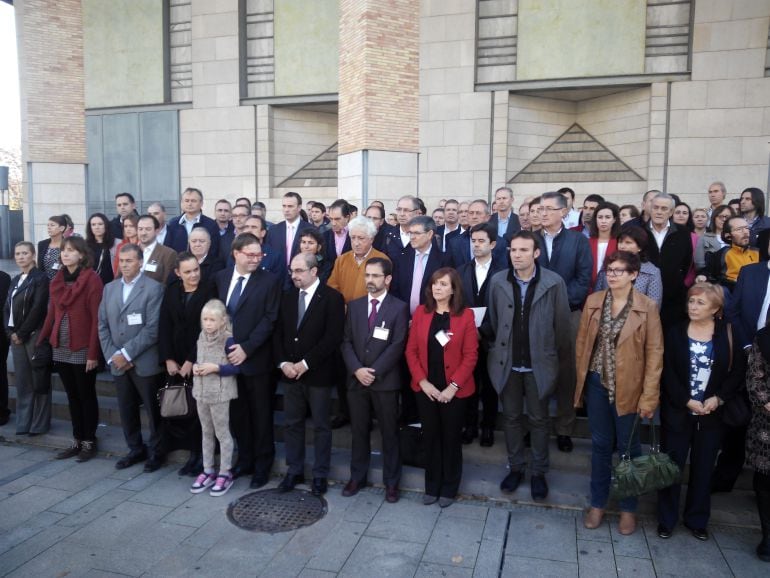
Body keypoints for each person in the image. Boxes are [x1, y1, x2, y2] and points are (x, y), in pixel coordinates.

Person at [575, 251, 663, 535]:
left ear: (634, 274)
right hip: (598, 384)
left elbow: (654, 353)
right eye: (609, 270)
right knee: (600, 447)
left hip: (630, 388)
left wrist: (649, 396)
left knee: (629, 449)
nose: (612, 275)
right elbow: (582, 344)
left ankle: (628, 509)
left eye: (619, 270)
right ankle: (598, 504)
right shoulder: (594, 301)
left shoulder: (647, 307)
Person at [486, 231, 572, 500]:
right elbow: (493, 320)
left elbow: (562, 328)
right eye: (513, 250)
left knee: (538, 419)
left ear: (536, 253)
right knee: (511, 418)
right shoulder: (498, 281)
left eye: (524, 250)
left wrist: (548, 355)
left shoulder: (553, 282)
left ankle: (538, 472)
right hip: (507, 363)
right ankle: (515, 467)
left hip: (539, 364)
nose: (517, 255)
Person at [657, 283, 745, 541]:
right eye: (691, 301)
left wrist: (719, 398)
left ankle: (697, 519)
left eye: (700, 303)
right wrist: (685, 399)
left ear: (716, 309)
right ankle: (666, 518)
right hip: (678, 411)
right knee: (671, 468)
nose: (693, 307)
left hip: (712, 415)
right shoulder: (676, 332)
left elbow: (738, 371)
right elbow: (668, 371)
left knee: (704, 468)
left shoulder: (728, 333)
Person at [405, 268, 478, 508]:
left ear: (454, 289)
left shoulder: (465, 316)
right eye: (435, 284)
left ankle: (449, 487)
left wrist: (453, 387)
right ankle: (432, 485)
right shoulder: (421, 313)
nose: (438, 288)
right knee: (431, 437)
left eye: (444, 284)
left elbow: (470, 356)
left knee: (450, 438)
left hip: (454, 391)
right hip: (426, 388)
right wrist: (423, 382)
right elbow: (411, 351)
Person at [274, 253, 345, 497]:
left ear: (314, 271)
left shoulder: (332, 298)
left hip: (318, 375)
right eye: (292, 271)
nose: (294, 275)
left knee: (321, 427)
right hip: (290, 375)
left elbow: (332, 337)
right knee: (292, 424)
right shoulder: (286, 296)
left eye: (299, 271)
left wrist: (305, 363)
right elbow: (279, 333)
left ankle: (320, 474)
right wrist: (284, 362)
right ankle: (294, 471)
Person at [215, 233, 281, 489]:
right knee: (237, 414)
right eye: (250, 254)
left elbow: (270, 318)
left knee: (261, 415)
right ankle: (245, 459)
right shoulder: (220, 278)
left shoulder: (269, 281)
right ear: (236, 254)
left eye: (259, 254)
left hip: (256, 360)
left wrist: (247, 348)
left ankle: (263, 465)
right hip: (227, 359)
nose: (256, 259)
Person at [341, 258, 409, 502]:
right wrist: (357, 370)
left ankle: (392, 482)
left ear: (387, 279)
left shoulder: (399, 307)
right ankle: (357, 476)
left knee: (389, 433)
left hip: (385, 381)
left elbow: (397, 344)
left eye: (375, 276)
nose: (370, 280)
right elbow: (346, 341)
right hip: (356, 380)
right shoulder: (355, 305)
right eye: (367, 275)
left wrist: (374, 371)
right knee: (359, 431)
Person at [99, 244, 165, 472]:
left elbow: (153, 328)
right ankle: (135, 448)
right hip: (117, 361)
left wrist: (126, 353)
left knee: (153, 410)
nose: (125, 265)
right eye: (122, 260)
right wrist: (113, 355)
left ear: (140, 262)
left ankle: (157, 452)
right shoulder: (109, 288)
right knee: (126, 409)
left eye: (130, 260)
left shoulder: (154, 288)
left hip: (144, 361)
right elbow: (102, 325)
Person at [536, 191, 592, 453]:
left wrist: (560, 303)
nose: (543, 213)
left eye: (549, 208)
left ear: (563, 212)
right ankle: (537, 426)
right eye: (540, 208)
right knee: (536, 371)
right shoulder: (529, 239)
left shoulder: (578, 241)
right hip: (534, 315)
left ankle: (564, 428)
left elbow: (583, 278)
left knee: (567, 372)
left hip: (568, 314)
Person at [39, 237, 103, 462]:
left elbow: (96, 319)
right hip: (61, 347)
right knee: (72, 396)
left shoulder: (92, 280)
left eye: (71, 251)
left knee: (86, 396)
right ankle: (77, 439)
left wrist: (93, 353)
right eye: (63, 251)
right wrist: (42, 340)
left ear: (82, 255)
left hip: (83, 347)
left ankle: (89, 441)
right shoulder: (57, 279)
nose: (65, 254)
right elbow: (51, 313)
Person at [159, 252, 214, 476]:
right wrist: (169, 358)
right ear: (177, 273)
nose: (193, 275)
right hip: (175, 359)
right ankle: (185, 452)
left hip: (201, 359)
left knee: (202, 412)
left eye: (196, 270)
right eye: (188, 271)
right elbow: (164, 325)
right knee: (183, 409)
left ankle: (201, 456)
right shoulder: (172, 291)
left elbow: (209, 329)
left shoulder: (209, 290)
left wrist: (192, 360)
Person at [457, 223, 504, 447]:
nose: (476, 245)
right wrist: (468, 331)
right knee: (468, 383)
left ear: (492, 244)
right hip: (466, 339)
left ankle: (488, 427)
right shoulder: (462, 270)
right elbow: (456, 304)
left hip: (493, 339)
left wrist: (482, 330)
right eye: (473, 241)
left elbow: (504, 308)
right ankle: (470, 425)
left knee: (490, 385)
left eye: (481, 241)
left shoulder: (503, 272)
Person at [189, 299, 240, 497]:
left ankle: (225, 472)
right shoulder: (201, 336)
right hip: (201, 392)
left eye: (212, 320)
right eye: (205, 319)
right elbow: (199, 358)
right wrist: (195, 366)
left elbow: (237, 367)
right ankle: (208, 469)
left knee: (222, 433)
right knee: (206, 432)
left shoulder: (228, 340)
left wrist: (216, 368)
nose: (208, 323)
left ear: (222, 321)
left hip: (220, 394)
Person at [5, 242, 50, 435]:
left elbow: (38, 308)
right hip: (15, 337)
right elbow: (6, 309)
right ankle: (24, 422)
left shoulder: (40, 278)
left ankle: (39, 424)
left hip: (33, 335)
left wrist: (22, 333)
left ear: (33, 255)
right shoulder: (15, 280)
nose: (21, 257)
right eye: (18, 253)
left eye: (25, 253)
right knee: (23, 381)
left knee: (38, 380)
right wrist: (10, 332)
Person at [645, 193, 693, 328]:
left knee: (671, 338)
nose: (659, 212)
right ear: (650, 208)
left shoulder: (683, 232)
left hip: (673, 297)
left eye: (664, 209)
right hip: (644, 296)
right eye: (656, 207)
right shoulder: (639, 231)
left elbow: (686, 262)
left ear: (671, 212)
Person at [745, 325, 770, 562]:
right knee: (764, 479)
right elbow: (755, 376)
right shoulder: (763, 338)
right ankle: (767, 538)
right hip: (767, 420)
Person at [594, 226, 663, 309]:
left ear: (640, 247)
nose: (622, 246)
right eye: (620, 242)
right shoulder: (608, 265)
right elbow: (597, 296)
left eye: (628, 243)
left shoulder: (651, 272)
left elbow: (654, 306)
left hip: (638, 319)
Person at [263, 192, 313, 284]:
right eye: (284, 206)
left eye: (290, 206)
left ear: (299, 208)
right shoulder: (273, 230)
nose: (286, 210)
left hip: (301, 281)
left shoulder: (310, 229)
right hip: (277, 281)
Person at [696, 216, 758, 290]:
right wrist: (703, 276)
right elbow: (708, 273)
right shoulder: (722, 254)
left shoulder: (759, 253)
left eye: (747, 228)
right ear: (728, 236)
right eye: (739, 229)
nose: (745, 232)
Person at [165, 187, 221, 257]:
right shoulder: (173, 223)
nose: (189, 204)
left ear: (201, 203)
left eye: (193, 201)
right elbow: (168, 248)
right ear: (181, 203)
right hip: (178, 265)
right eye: (187, 201)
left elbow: (215, 249)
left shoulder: (211, 224)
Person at [135, 215, 178, 285]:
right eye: (140, 229)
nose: (143, 233)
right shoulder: (128, 251)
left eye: (148, 229)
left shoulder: (168, 254)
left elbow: (168, 284)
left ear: (157, 231)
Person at [587, 202, 620, 291]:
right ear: (595, 219)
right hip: (588, 291)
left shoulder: (619, 243)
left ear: (614, 220)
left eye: (608, 217)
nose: (603, 221)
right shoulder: (586, 243)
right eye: (600, 217)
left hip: (613, 289)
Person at [694, 205, 734, 272]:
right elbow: (699, 265)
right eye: (720, 216)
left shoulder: (736, 237)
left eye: (727, 217)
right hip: (711, 277)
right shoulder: (704, 238)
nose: (724, 219)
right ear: (714, 218)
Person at [86, 213, 118, 285]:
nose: (97, 227)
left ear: (106, 225)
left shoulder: (116, 243)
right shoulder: (84, 245)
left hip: (111, 284)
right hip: (91, 284)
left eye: (100, 224)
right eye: (93, 225)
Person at [38, 215, 67, 280]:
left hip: (63, 282)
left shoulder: (68, 244)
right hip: (45, 284)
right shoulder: (42, 244)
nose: (49, 227)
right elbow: (40, 267)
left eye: (52, 225)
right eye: (48, 225)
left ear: (61, 228)